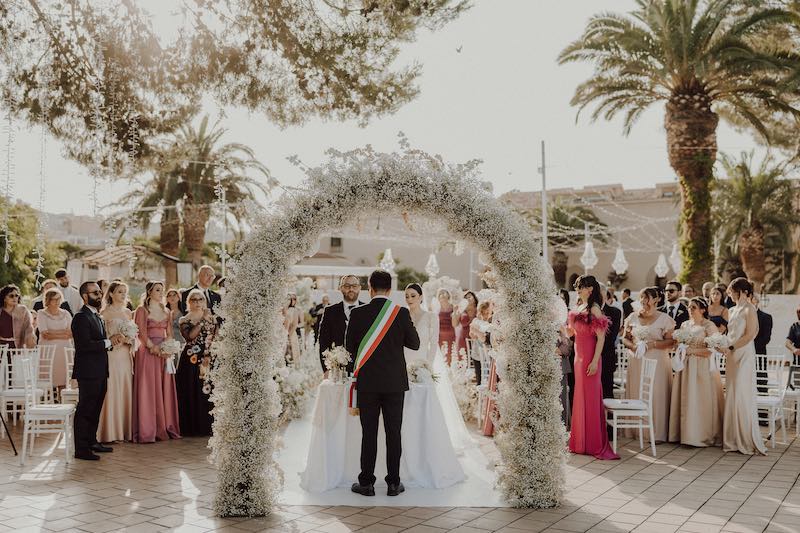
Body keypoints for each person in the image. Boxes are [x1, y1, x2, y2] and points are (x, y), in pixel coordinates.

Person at [346, 270, 420, 497]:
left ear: (370, 288)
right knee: (393, 433)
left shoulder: (357, 313)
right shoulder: (400, 313)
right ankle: (394, 483)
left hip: (368, 384)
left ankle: (366, 483)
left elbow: (350, 347)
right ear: (390, 289)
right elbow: (415, 344)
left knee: (369, 433)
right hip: (394, 384)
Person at [567, 275, 618, 460]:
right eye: (577, 287)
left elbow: (601, 338)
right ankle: (580, 442)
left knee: (590, 398)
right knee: (579, 397)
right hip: (578, 357)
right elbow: (574, 333)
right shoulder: (580, 306)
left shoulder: (595, 308)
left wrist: (595, 361)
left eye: (580, 287)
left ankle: (593, 443)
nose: (578, 290)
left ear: (590, 289)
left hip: (589, 357)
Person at [72, 281, 123, 460]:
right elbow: (84, 346)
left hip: (100, 370)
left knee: (95, 408)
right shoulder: (80, 317)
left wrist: (110, 342)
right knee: (85, 409)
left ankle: (92, 441)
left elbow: (99, 343)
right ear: (85, 296)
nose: (100, 296)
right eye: (95, 293)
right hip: (88, 372)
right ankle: (81, 449)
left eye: (100, 292)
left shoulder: (97, 316)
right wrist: (109, 341)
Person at [668, 297, 724, 447]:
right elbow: (679, 344)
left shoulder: (709, 325)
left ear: (703, 310)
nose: (690, 309)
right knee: (686, 397)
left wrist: (691, 350)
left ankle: (701, 435)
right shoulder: (685, 324)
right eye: (689, 307)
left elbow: (712, 349)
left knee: (699, 399)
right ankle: (684, 434)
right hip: (685, 367)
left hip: (702, 368)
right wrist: (679, 347)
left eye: (693, 307)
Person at [622, 287, 675, 442]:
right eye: (641, 298)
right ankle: (634, 430)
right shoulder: (632, 317)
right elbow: (625, 338)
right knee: (637, 391)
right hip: (637, 360)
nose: (643, 301)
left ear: (657, 299)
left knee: (656, 393)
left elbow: (671, 341)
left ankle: (657, 432)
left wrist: (652, 344)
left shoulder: (665, 318)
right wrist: (633, 346)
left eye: (647, 298)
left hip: (657, 361)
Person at [132, 281, 181, 443]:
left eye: (162, 290)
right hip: (147, 352)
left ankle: (164, 426)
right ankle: (147, 429)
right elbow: (140, 333)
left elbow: (169, 334)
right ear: (149, 292)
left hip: (164, 354)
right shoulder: (142, 310)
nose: (161, 293)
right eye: (158, 290)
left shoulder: (167, 311)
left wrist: (168, 348)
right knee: (148, 388)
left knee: (164, 388)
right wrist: (153, 347)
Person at [723, 278, 766, 455]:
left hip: (744, 354)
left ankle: (745, 437)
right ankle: (732, 437)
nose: (730, 295)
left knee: (741, 393)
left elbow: (750, 335)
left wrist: (732, 346)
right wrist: (722, 344)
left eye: (732, 291)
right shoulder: (732, 310)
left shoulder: (749, 309)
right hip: (731, 355)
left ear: (741, 291)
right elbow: (730, 333)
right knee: (732, 393)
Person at [98, 281, 135, 443]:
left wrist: (130, 339)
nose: (123, 295)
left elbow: (135, 335)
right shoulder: (105, 313)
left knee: (125, 388)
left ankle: (125, 430)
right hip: (112, 356)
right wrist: (112, 339)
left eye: (124, 292)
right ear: (111, 294)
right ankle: (110, 432)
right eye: (120, 291)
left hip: (126, 355)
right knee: (112, 389)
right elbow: (101, 336)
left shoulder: (128, 312)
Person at [176, 288, 216, 437]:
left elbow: (215, 336)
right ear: (188, 302)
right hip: (191, 360)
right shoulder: (184, 319)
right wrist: (202, 321)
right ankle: (192, 427)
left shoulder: (212, 317)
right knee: (192, 390)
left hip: (208, 357)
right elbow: (190, 337)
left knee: (207, 390)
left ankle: (207, 426)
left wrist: (209, 355)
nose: (198, 302)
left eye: (200, 299)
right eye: (194, 299)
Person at [318, 275, 364, 372]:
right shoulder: (330, 311)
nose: (351, 289)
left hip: (363, 370)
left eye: (354, 286)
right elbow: (323, 343)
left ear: (360, 288)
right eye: (347, 286)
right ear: (340, 288)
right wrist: (326, 369)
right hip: (337, 370)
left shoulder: (368, 311)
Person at [36, 289, 73, 391]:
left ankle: (63, 401)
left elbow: (71, 333)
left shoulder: (66, 314)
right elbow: (45, 334)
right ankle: (48, 403)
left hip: (64, 350)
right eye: (54, 299)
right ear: (48, 300)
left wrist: (53, 333)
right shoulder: (41, 314)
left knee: (64, 378)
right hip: (49, 351)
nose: (57, 301)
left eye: (59, 298)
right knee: (49, 377)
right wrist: (63, 333)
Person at [601, 288, 622, 403]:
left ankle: (607, 417)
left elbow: (612, 337)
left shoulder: (615, 312)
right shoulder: (586, 311)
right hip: (588, 357)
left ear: (606, 296)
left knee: (607, 389)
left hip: (607, 356)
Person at [0, 284, 36, 350]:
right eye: (11, 296)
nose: (14, 298)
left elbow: (28, 328)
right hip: (1, 347)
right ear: (4, 298)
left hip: (18, 347)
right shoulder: (1, 311)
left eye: (16, 295)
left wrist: (30, 339)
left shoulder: (23, 310)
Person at [469, 301, 493, 385]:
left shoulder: (490, 323)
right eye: (484, 313)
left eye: (488, 313)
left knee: (488, 375)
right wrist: (476, 331)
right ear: (480, 312)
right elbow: (472, 335)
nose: (486, 315)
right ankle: (479, 388)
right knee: (479, 376)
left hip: (488, 354)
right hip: (477, 352)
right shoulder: (476, 321)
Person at [453, 291, 478, 360]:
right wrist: (455, 312)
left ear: (474, 298)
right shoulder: (461, 311)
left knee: (476, 360)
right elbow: (455, 324)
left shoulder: (479, 309)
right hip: (463, 339)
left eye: (470, 296)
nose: (468, 298)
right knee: (464, 360)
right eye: (466, 298)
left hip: (476, 338)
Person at [437, 289, 456, 364]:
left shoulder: (453, 307)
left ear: (448, 296)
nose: (442, 294)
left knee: (450, 354)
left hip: (451, 334)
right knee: (440, 354)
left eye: (444, 293)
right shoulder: (436, 308)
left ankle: (449, 371)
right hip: (440, 335)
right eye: (440, 293)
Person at [283, 293, 302, 362]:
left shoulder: (295, 310)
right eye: (291, 299)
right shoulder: (282, 309)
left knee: (292, 352)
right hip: (281, 333)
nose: (292, 300)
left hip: (290, 333)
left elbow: (295, 324)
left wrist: (288, 335)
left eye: (294, 299)